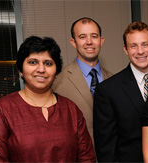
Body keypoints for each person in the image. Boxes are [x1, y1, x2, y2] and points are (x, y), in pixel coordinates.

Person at [0, 36, 96, 162]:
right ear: (21, 69)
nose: (41, 69)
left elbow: (87, 158)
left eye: (48, 63)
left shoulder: (71, 110)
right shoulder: (2, 110)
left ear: (57, 71)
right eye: (33, 62)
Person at [93, 22, 148, 162]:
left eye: (145, 44)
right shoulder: (108, 90)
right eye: (133, 46)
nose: (140, 51)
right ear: (125, 49)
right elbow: (106, 149)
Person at [52, 17, 113, 145]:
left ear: (101, 40)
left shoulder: (114, 80)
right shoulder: (58, 83)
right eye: (82, 37)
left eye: (94, 36)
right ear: (73, 42)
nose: (89, 42)